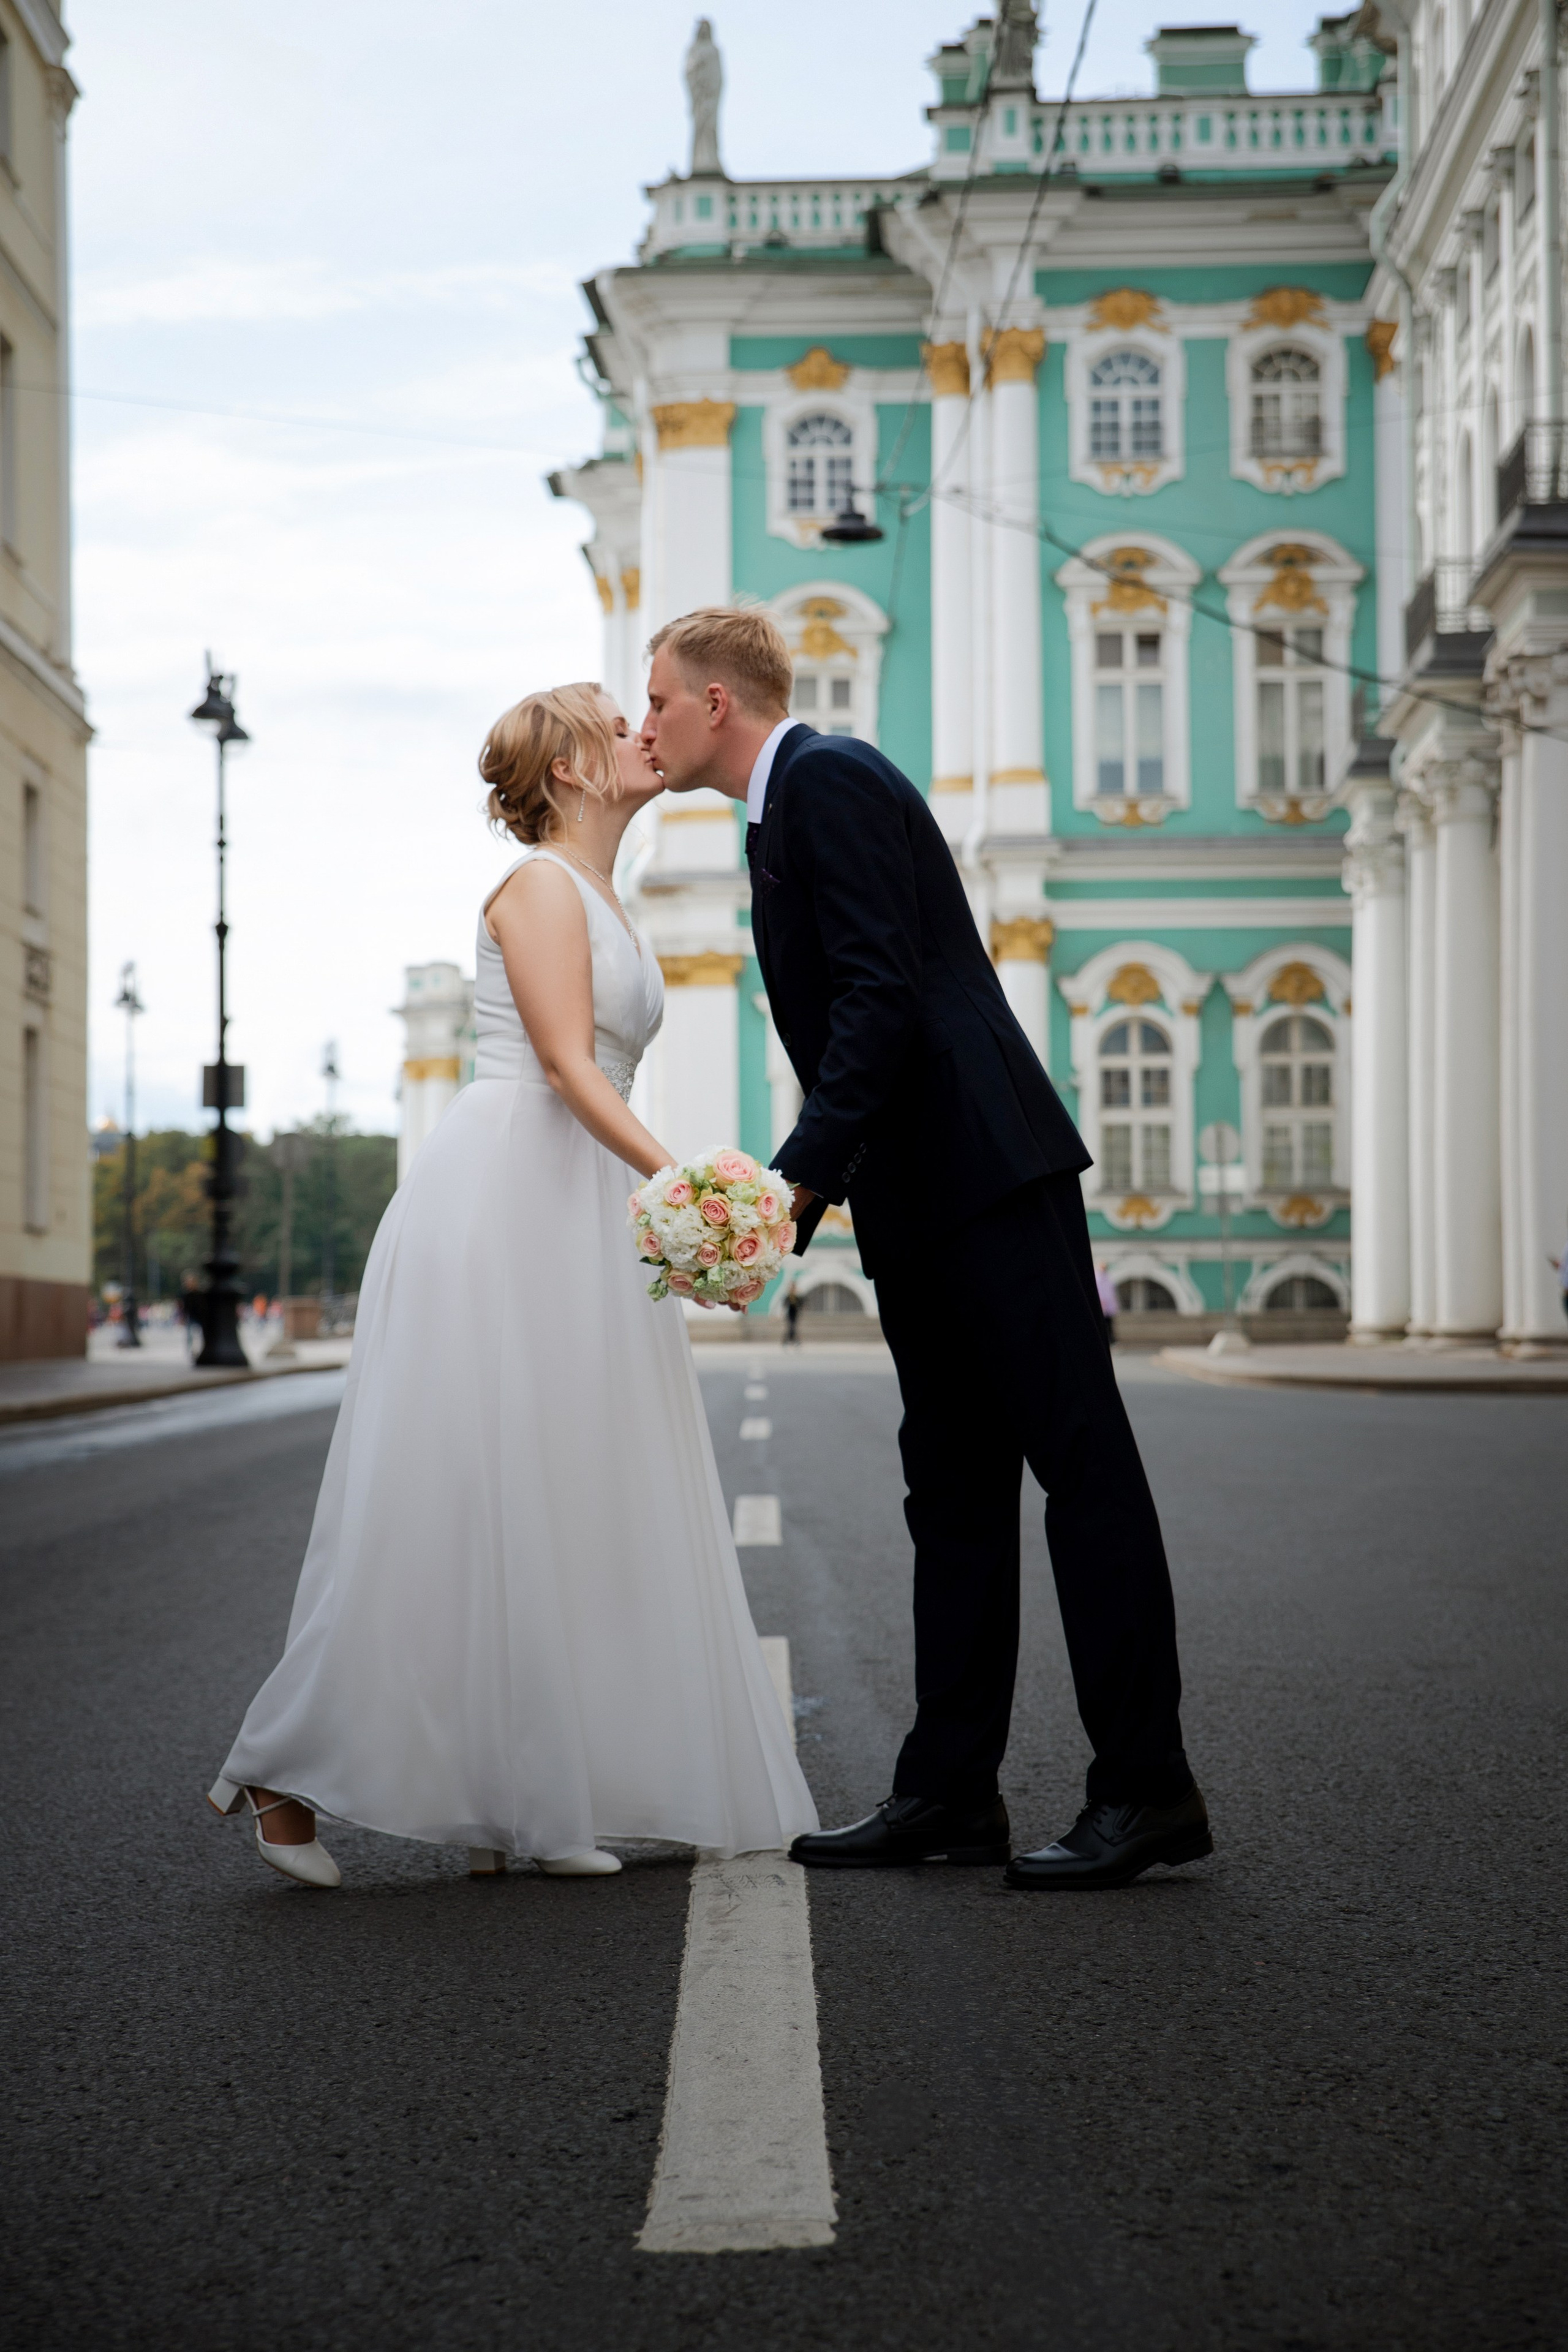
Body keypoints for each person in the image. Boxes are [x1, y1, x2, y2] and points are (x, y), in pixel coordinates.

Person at [208, 682, 816, 1889]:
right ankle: (281, 1764)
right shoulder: (538, 884)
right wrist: (689, 1185)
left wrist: (661, 1198)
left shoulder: (610, 898)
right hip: (504, 1199)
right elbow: (558, 1061)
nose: (643, 731)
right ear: (576, 770)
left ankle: (528, 1789)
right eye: (615, 718)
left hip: (579, 1201)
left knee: (560, 1501)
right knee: (455, 1496)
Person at [641, 609, 1209, 1893]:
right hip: (920, 1187)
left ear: (717, 705)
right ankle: (948, 1791)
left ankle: (1146, 1787)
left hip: (983, 1171)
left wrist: (795, 1180)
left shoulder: (827, 776)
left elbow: (879, 989)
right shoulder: (781, 809)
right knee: (950, 1491)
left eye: (659, 700)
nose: (647, 724)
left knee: (1080, 1468)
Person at [1095, 1261, 1119, 1349]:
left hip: (1108, 1308)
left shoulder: (1107, 1278)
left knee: (1109, 1326)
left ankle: (1112, 1342)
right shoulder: (1098, 1279)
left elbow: (1111, 1294)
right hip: (1103, 1307)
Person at [783, 1278, 802, 1346]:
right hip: (790, 1313)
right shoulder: (789, 1296)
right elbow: (785, 1304)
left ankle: (794, 1341)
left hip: (795, 1313)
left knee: (794, 1327)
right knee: (791, 1327)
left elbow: (800, 1304)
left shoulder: (797, 1296)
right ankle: (788, 1341)